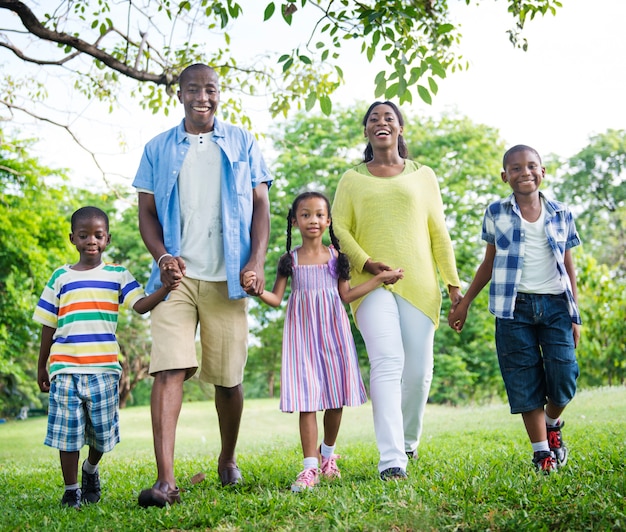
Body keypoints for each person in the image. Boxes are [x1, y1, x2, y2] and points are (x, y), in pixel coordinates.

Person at [132, 63, 271, 507]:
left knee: (228, 379)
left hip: (228, 278)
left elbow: (261, 206)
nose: (202, 97)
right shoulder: (157, 148)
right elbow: (147, 215)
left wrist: (255, 261)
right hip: (176, 280)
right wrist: (163, 258)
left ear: (219, 93)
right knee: (167, 369)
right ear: (180, 94)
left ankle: (227, 458)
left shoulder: (243, 141)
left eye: (210, 89)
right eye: (193, 89)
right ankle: (165, 481)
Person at [331, 101, 462, 481]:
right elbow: (339, 229)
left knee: (419, 372)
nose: (381, 123)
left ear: (401, 129)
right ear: (367, 132)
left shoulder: (424, 176)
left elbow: (439, 233)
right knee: (387, 363)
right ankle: (391, 459)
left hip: (419, 284)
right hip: (370, 283)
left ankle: (407, 441)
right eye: (374, 119)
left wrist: (454, 288)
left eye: (389, 118)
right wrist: (369, 264)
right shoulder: (351, 179)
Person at [244, 191, 404, 491]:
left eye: (319, 214)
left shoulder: (336, 257)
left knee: (334, 397)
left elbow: (346, 295)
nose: (313, 220)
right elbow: (276, 299)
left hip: (333, 331)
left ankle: (328, 455)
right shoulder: (288, 261)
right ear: (295, 221)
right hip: (301, 334)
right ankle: (309, 468)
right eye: (305, 215)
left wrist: (378, 280)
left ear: (328, 220)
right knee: (307, 400)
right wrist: (256, 292)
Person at [33, 206, 180, 509]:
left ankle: (90, 470)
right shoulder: (60, 277)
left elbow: (139, 306)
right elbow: (48, 325)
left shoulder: (117, 275)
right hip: (65, 369)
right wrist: (42, 366)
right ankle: (72, 489)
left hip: (104, 370)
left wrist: (164, 289)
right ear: (73, 238)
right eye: (84, 235)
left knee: (101, 436)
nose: (91, 240)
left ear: (107, 239)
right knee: (68, 435)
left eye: (98, 235)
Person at [448, 144, 581, 474]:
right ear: (505, 176)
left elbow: (568, 263)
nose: (526, 173)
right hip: (513, 309)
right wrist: (464, 303)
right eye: (517, 168)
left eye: (532, 166)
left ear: (543, 171)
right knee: (523, 381)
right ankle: (542, 454)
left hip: (555, 306)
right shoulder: (496, 212)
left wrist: (575, 313)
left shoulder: (561, 213)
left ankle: (553, 424)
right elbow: (488, 263)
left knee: (564, 376)